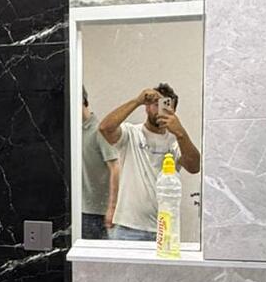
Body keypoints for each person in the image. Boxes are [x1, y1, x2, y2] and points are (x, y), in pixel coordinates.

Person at [98, 82, 201, 241]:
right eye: (155, 104)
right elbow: (105, 128)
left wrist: (180, 133)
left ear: (173, 111)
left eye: (165, 105)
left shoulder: (176, 141)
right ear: (146, 107)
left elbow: (194, 167)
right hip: (127, 228)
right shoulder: (131, 133)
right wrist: (137, 101)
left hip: (163, 229)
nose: (159, 110)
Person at [81, 87, 119, 239]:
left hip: (97, 213)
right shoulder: (72, 131)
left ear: (82, 100)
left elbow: (115, 168)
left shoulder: (98, 130)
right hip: (77, 209)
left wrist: (112, 207)